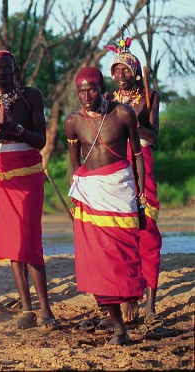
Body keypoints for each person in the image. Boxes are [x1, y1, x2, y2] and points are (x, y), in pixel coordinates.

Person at [65, 66, 146, 346]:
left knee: (125, 253)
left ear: (102, 88)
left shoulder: (123, 114)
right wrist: (75, 198)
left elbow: (137, 156)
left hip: (121, 190)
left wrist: (141, 196)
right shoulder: (72, 122)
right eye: (81, 91)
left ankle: (130, 296)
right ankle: (118, 325)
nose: (86, 96)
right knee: (98, 261)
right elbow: (74, 163)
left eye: (92, 90)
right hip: (90, 194)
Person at [0, 50, 57, 330]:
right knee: (13, 243)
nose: (4, 74)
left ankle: (46, 311)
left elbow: (40, 140)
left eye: (8, 69)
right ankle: (27, 310)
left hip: (28, 175)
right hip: (1, 176)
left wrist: (17, 130)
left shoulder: (32, 96)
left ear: (16, 69)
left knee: (30, 241)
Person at [108, 38, 166, 337]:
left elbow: (153, 136)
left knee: (147, 231)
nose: (120, 75)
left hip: (143, 161)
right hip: (117, 165)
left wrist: (130, 123)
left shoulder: (150, 96)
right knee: (121, 232)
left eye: (125, 70)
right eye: (116, 70)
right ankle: (125, 294)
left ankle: (151, 302)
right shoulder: (108, 99)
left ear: (136, 72)